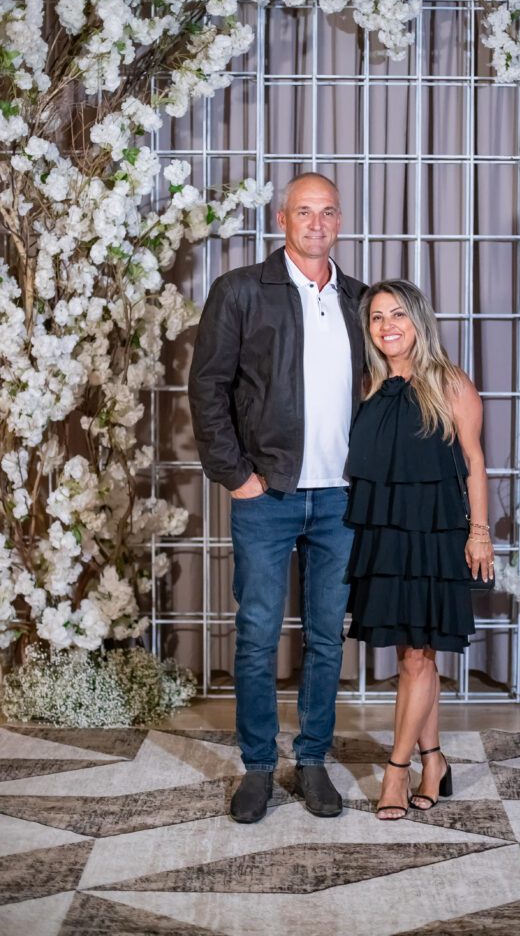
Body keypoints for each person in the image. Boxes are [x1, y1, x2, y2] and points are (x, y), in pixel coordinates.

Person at [188, 173, 365, 824]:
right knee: (258, 636)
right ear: (281, 220)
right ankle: (259, 767)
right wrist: (236, 475)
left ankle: (312, 760)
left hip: (341, 498)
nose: (316, 223)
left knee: (326, 637)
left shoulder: (359, 299)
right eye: (303, 211)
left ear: (339, 221)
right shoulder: (240, 291)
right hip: (266, 494)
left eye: (327, 212)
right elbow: (207, 387)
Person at [344, 279, 493, 820]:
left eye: (398, 315)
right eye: (377, 317)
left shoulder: (450, 383)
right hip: (384, 536)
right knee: (413, 655)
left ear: (419, 321)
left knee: (415, 658)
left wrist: (480, 533)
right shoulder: (368, 386)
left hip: (435, 535)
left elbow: (474, 462)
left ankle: (396, 770)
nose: (387, 326)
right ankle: (435, 761)